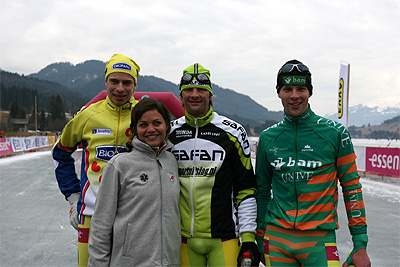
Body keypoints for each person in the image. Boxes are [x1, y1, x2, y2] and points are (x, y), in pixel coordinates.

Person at [255, 59, 371, 267]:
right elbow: (262, 192)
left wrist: (360, 243)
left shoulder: (335, 134)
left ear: (310, 92)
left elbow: (352, 188)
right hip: (276, 239)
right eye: (287, 89)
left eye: (301, 89)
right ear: (279, 93)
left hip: (319, 240)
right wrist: (260, 235)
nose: (294, 95)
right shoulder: (267, 138)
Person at [168, 63, 261, 267]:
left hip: (224, 238)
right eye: (188, 90)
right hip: (181, 239)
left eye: (201, 89)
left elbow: (245, 189)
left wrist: (248, 239)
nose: (195, 94)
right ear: (181, 96)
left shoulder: (234, 133)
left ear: (210, 95)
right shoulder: (169, 133)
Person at [52, 53, 140, 266]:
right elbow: (60, 153)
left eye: (127, 82)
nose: (120, 88)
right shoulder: (88, 115)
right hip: (92, 213)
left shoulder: (143, 114)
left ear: (135, 85)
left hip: (133, 215)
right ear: (106, 82)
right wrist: (73, 198)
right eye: (114, 81)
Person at [87, 98, 181, 266]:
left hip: (169, 262)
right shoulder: (119, 165)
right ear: (135, 129)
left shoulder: (171, 161)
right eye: (143, 124)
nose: (151, 129)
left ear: (167, 125)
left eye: (157, 123)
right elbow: (101, 223)